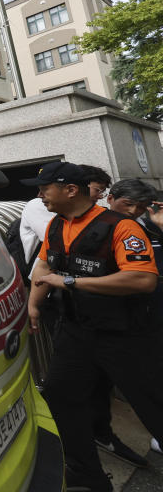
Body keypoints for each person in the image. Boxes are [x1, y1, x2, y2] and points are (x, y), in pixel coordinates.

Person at [25, 162, 163, 491]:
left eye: (45, 188)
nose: (40, 195)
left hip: (124, 335)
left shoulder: (121, 227)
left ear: (71, 190)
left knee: (152, 402)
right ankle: (86, 473)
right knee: (59, 395)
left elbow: (143, 279)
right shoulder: (56, 226)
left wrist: (72, 281)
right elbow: (45, 264)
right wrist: (33, 304)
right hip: (76, 333)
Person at [105, 178, 163, 458]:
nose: (133, 211)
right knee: (143, 383)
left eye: (140, 207)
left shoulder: (148, 227)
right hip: (126, 321)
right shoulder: (101, 229)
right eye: (128, 204)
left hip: (152, 317)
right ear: (110, 198)